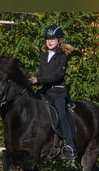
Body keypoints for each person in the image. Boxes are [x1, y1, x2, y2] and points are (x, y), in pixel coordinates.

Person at [29, 24, 76, 160]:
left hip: (58, 92)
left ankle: (70, 146)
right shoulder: (44, 56)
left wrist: (37, 79)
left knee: (61, 114)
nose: (49, 41)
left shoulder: (62, 56)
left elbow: (57, 76)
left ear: (59, 40)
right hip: (45, 91)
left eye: (52, 39)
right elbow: (40, 75)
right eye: (47, 38)